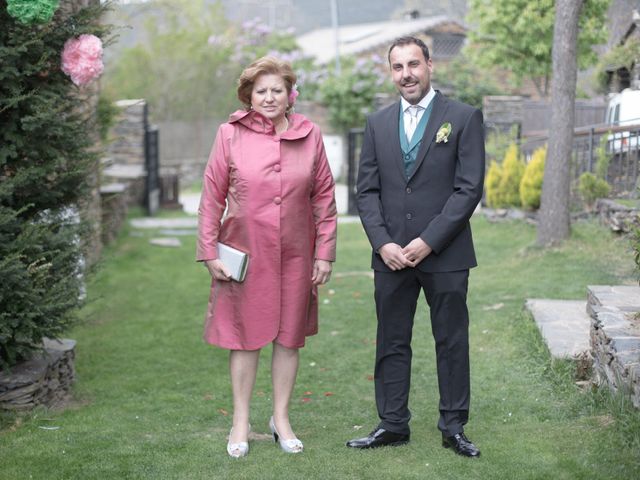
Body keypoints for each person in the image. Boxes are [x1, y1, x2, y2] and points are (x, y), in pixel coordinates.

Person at [346, 36, 484, 458]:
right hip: (390, 257)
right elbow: (365, 191)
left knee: (451, 340)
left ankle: (454, 425)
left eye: (413, 64)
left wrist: (429, 241)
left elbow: (468, 188)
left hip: (445, 253)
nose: (406, 74)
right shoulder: (377, 123)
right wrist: (383, 242)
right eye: (398, 67)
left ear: (430, 66)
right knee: (391, 340)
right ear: (391, 72)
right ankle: (392, 424)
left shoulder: (462, 118)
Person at [197, 56, 337, 458]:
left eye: (278, 89)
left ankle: (281, 418)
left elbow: (324, 199)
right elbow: (211, 199)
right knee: (244, 339)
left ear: (290, 94)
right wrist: (208, 252)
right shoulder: (229, 135)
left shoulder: (310, 136)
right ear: (249, 95)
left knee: (289, 338)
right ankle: (240, 421)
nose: (270, 97)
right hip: (244, 254)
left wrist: (324, 253)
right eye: (262, 91)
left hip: (297, 253)